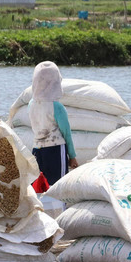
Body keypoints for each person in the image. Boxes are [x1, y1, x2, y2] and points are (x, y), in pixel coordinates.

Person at [28, 61, 78, 189]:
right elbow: (66, 133)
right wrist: (72, 156)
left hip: (37, 150)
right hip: (55, 150)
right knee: (58, 187)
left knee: (38, 187)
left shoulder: (31, 105)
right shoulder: (57, 107)